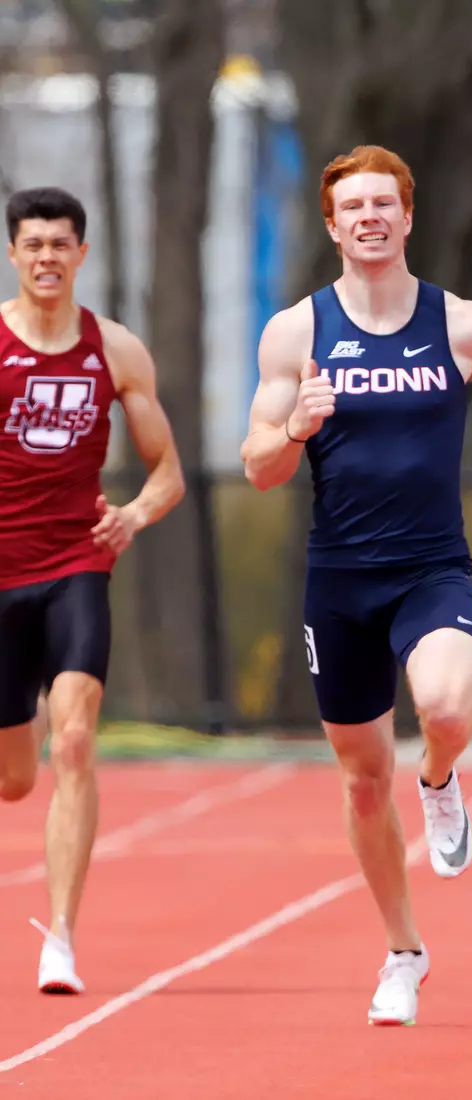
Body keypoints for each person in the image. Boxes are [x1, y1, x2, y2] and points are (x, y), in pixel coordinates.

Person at [239, 145, 472, 1026]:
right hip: (340, 582)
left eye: (383, 203)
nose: (369, 217)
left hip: (431, 566)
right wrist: (292, 427)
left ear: (408, 218)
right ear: (331, 227)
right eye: (352, 207)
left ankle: (441, 779)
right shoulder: (296, 332)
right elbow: (257, 467)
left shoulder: (463, 325)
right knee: (364, 776)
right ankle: (403, 952)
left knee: (445, 707)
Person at [0, 186, 186, 995]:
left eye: (60, 244)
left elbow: (168, 472)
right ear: (13, 253)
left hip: (77, 562)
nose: (46, 257)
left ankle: (62, 938)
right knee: (13, 777)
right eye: (32, 243)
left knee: (75, 740)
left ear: (82, 255)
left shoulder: (115, 351)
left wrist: (135, 515)